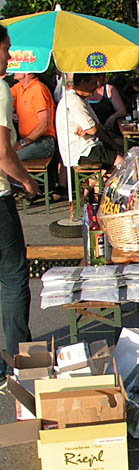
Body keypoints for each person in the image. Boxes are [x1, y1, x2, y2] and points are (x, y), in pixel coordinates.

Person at [0, 24, 40, 387]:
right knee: (13, 277)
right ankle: (17, 359)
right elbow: (2, 152)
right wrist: (27, 181)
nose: (10, 57)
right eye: (6, 49)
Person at [56, 73, 123, 170]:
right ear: (83, 83)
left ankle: (99, 182)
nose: (97, 86)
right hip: (83, 151)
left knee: (120, 147)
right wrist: (92, 128)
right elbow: (93, 130)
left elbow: (96, 126)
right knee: (123, 162)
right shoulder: (74, 100)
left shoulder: (81, 99)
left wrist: (92, 128)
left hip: (90, 146)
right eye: (94, 83)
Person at [10, 72, 56, 161]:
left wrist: (22, 143)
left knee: (9, 159)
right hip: (28, 140)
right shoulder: (19, 87)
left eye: (19, 67)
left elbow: (44, 125)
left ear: (29, 72)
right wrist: (11, 113)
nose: (15, 70)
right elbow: (5, 99)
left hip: (43, 141)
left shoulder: (38, 89)